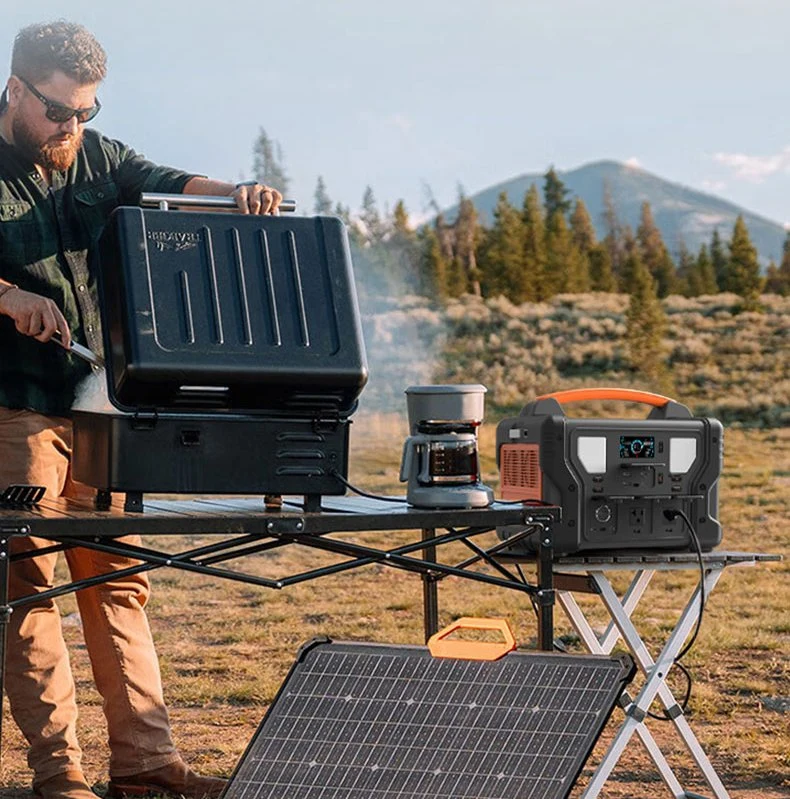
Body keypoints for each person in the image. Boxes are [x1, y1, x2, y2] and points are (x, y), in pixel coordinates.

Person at [0, 21, 282, 799]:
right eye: (59, 111)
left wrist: (238, 194)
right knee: (30, 588)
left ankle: (148, 767)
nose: (72, 127)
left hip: (101, 404)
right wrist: (8, 295)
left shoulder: (101, 155)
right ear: (17, 89)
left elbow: (166, 180)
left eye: (87, 111)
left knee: (119, 579)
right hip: (15, 407)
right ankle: (61, 777)